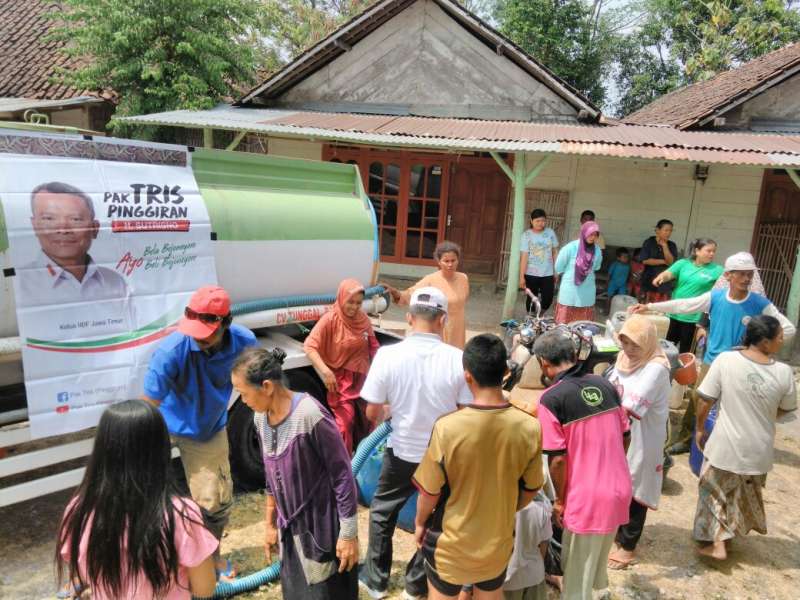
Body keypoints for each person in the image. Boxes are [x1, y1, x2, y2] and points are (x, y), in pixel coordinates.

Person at [359, 287, 473, 600]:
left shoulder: (388, 355)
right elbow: (465, 412)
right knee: (438, 518)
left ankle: (377, 580)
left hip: (401, 450)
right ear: (443, 320)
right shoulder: (457, 359)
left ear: (409, 318)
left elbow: (371, 410)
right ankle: (416, 584)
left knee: (383, 512)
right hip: (442, 457)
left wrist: (389, 413)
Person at [412, 334, 544, 600]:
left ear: (467, 376)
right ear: (506, 373)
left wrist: (419, 523)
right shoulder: (530, 427)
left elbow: (430, 492)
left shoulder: (448, 428)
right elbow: (531, 487)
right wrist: (503, 507)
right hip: (497, 543)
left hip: (450, 545)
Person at [143, 285, 258, 580]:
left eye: (206, 333)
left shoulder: (244, 342)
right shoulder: (170, 352)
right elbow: (148, 405)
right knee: (130, 488)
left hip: (206, 429)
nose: (198, 338)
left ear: (225, 324)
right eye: (193, 330)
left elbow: (256, 382)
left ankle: (212, 555)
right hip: (164, 424)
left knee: (215, 500)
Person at [631, 252, 795, 455]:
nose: (746, 279)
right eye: (741, 274)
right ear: (728, 276)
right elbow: (684, 304)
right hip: (712, 361)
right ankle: (686, 439)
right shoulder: (715, 298)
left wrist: (757, 348)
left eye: (749, 274)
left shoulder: (760, 304)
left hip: (741, 365)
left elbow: (788, 329)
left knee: (733, 406)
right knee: (698, 399)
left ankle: (724, 444)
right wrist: (648, 306)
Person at [56, 400, 217, 600]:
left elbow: (82, 572)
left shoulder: (79, 511)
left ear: (102, 448)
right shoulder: (180, 514)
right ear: (160, 447)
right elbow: (204, 588)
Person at [231, 347, 359, 598]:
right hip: (289, 530)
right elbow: (271, 475)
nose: (243, 401)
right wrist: (269, 524)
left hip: (322, 528)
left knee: (326, 590)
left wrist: (348, 534)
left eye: (243, 393)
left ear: (266, 386)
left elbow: (342, 475)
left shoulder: (309, 415)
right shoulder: (260, 419)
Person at [534, 331, 632, 600]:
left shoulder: (550, 399)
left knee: (577, 577)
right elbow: (626, 435)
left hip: (585, 499)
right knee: (596, 562)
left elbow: (557, 460)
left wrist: (560, 501)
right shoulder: (605, 385)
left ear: (543, 363)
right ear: (575, 356)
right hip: (618, 489)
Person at [693, 315, 796, 560]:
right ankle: (728, 539)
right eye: (780, 337)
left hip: (726, 445)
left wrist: (699, 428)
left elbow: (705, 399)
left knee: (714, 491)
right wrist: (764, 411)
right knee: (739, 492)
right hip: (759, 451)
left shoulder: (726, 360)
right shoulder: (783, 372)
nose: (783, 340)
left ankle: (717, 544)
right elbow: (785, 409)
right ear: (765, 342)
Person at [606, 316, 671, 570]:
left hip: (643, 435)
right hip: (618, 432)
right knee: (618, 483)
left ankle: (628, 546)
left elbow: (631, 406)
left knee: (636, 486)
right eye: (625, 342)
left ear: (648, 343)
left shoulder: (656, 367)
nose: (630, 350)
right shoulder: (622, 359)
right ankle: (616, 532)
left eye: (636, 345)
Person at [17, 181, 129, 307]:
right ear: (34, 225)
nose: (63, 229)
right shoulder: (16, 285)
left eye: (75, 219)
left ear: (95, 228)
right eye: (49, 218)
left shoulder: (115, 282)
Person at [304, 278, 380, 453]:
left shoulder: (363, 320)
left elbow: (374, 347)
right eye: (350, 302)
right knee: (344, 425)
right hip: (340, 382)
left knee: (366, 422)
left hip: (362, 380)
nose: (354, 307)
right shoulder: (330, 319)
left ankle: (362, 465)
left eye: (358, 303)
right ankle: (343, 467)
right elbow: (310, 345)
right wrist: (326, 372)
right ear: (341, 298)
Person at [382, 241, 469, 348]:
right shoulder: (431, 279)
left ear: (458, 260)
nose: (450, 264)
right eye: (446, 261)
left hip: (458, 329)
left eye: (453, 260)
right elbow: (411, 293)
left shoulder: (463, 278)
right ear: (439, 261)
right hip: (439, 329)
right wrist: (396, 293)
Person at [651, 238, 723, 353]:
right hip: (674, 314)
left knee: (686, 352)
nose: (712, 254)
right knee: (666, 349)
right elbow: (669, 273)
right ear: (697, 251)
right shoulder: (683, 263)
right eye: (708, 251)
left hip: (694, 318)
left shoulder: (717, 270)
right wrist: (661, 277)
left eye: (714, 251)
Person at [503, 495, 553, 600]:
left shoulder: (502, 509)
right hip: (535, 574)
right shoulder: (542, 509)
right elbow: (544, 544)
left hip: (509, 578)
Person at [553, 221, 603, 324]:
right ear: (584, 232)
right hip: (569, 293)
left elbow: (597, 267)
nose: (592, 237)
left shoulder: (597, 250)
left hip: (587, 294)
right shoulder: (570, 248)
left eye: (595, 235)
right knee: (563, 330)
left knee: (582, 329)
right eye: (590, 234)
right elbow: (559, 267)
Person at [518, 209, 559, 313]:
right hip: (531, 273)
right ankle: (531, 319)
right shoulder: (526, 235)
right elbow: (524, 256)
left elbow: (554, 252)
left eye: (543, 221)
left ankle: (539, 315)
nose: (541, 223)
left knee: (548, 298)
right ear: (531, 221)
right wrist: (521, 276)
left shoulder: (550, 233)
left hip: (548, 273)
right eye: (538, 221)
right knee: (531, 298)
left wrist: (556, 271)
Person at [639, 219, 678, 302]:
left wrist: (664, 246)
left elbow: (671, 262)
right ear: (657, 230)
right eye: (666, 230)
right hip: (649, 278)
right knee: (646, 304)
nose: (669, 233)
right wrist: (663, 261)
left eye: (670, 231)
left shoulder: (671, 245)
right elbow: (644, 260)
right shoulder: (649, 242)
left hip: (665, 280)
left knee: (660, 307)